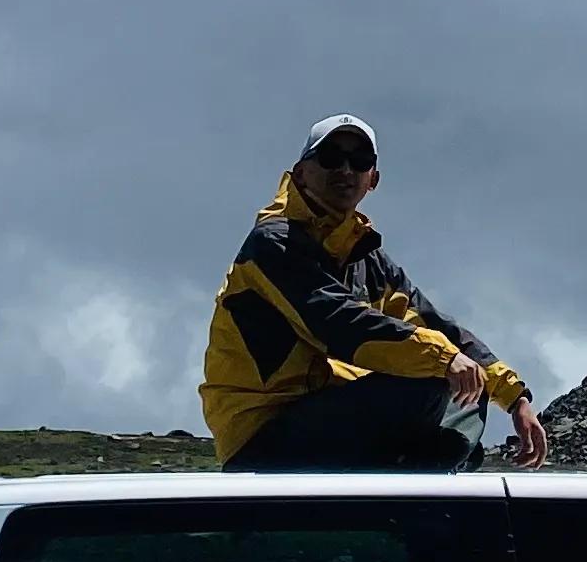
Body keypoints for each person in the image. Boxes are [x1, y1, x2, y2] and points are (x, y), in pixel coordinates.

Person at [202, 113, 551, 470]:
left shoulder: (369, 260)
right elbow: (338, 324)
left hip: (328, 418)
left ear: (374, 179)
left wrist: (514, 398)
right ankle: (414, 495)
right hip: (262, 433)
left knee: (465, 407)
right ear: (301, 173)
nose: (345, 170)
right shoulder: (275, 243)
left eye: (360, 161)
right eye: (331, 158)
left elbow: (439, 328)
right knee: (437, 382)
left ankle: (409, 506)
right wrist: (444, 360)